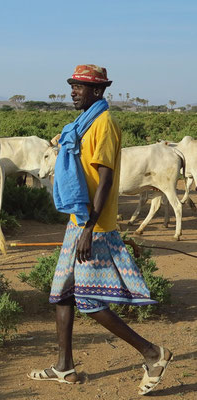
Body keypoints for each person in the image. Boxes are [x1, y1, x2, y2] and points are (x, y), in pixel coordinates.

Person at [27, 65, 173, 395]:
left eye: (79, 87)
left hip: (96, 226)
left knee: (89, 300)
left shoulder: (104, 124)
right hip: (80, 222)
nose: (73, 91)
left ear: (97, 91)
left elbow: (105, 180)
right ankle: (64, 367)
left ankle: (153, 353)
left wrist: (89, 229)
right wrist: (81, 224)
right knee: (62, 294)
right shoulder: (85, 123)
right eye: (72, 86)